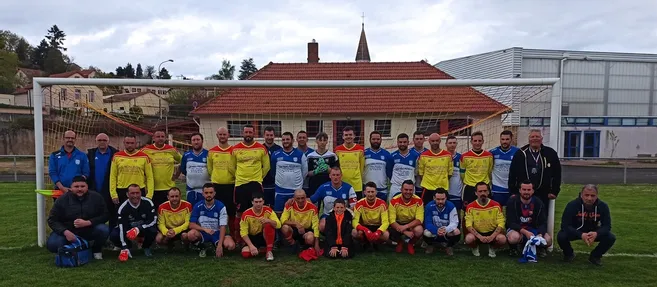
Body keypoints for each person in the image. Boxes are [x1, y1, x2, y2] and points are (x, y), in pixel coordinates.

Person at [46, 176, 109, 260]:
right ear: (71, 187)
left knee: (104, 229)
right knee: (53, 244)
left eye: (82, 186)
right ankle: (70, 249)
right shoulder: (62, 199)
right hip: (68, 231)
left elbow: (105, 215)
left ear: (87, 186)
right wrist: (65, 232)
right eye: (76, 186)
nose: (79, 189)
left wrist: (88, 222)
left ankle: (96, 250)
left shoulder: (96, 197)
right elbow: (52, 220)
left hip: (89, 229)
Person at [558, 184, 615, 266]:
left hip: (594, 231)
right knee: (561, 236)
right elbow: (565, 225)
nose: (589, 198)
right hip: (577, 230)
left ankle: (595, 256)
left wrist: (597, 233)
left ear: (597, 196)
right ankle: (569, 254)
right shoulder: (572, 205)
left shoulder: (603, 206)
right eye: (586, 195)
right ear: (581, 195)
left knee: (610, 237)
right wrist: (581, 235)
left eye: (592, 196)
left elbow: (607, 226)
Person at [508, 129, 561, 214]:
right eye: (532, 137)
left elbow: (557, 174)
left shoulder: (550, 153)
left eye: (537, 136)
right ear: (529, 139)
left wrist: (554, 191)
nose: (535, 139)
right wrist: (513, 191)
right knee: (523, 216)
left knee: (541, 216)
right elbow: (512, 173)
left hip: (543, 193)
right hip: (524, 193)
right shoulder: (520, 153)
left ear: (541, 138)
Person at [231, 124, 270, 231]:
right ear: (242, 133)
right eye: (246, 132)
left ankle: (257, 236)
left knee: (258, 210)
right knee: (239, 212)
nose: (248, 134)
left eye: (250, 132)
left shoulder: (261, 148)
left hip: (256, 184)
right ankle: (239, 238)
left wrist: (259, 177)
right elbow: (231, 167)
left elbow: (266, 166)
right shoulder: (235, 149)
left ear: (254, 133)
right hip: (240, 185)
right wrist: (240, 176)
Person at [110, 184, 158, 262]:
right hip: (128, 230)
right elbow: (122, 227)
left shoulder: (148, 203)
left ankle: (146, 247)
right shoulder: (122, 208)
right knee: (114, 235)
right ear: (127, 194)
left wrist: (138, 228)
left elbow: (153, 220)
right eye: (132, 193)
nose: (135, 196)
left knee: (153, 230)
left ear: (141, 193)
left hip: (143, 228)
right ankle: (127, 247)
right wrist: (124, 246)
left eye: (137, 193)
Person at [187, 184, 237, 258]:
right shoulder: (197, 206)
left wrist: (220, 245)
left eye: (211, 192)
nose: (209, 195)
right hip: (203, 233)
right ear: (203, 194)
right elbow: (191, 225)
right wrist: (204, 229)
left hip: (217, 233)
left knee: (231, 246)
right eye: (206, 193)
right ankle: (202, 247)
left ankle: (217, 246)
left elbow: (223, 226)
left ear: (214, 193)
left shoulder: (221, 206)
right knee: (190, 234)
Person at [207, 127, 237, 243]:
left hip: (231, 185)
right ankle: (217, 237)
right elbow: (210, 169)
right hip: (217, 186)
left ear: (228, 135)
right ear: (217, 135)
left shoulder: (234, 150)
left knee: (231, 212)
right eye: (220, 134)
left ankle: (234, 237)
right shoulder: (212, 151)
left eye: (224, 134)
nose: (222, 136)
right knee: (218, 212)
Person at [506, 180, 550, 257]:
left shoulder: (538, 203)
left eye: (529, 190)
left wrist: (540, 234)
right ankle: (514, 248)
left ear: (533, 191)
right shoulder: (512, 202)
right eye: (524, 189)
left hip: (533, 230)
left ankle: (539, 248)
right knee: (513, 238)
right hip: (518, 230)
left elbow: (543, 222)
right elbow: (511, 222)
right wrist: (525, 232)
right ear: (520, 190)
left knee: (548, 240)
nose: (526, 192)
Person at [141, 130, 183, 209]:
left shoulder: (171, 150)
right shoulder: (145, 150)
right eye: (158, 137)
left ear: (165, 138)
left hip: (169, 188)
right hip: (152, 189)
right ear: (153, 138)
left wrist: (177, 174)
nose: (160, 138)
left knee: (169, 211)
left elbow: (183, 161)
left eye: (162, 137)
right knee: (154, 212)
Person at [464, 182, 506, 258]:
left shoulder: (496, 205)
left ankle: (493, 248)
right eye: (480, 191)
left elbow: (501, 223)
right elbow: (468, 225)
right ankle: (475, 247)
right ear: (476, 193)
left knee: (502, 239)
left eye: (485, 191)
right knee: (469, 239)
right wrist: (479, 236)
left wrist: (492, 236)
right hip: (477, 232)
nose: (483, 193)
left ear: (488, 192)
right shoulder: (470, 206)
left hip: (492, 231)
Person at [309, 166, 357, 233]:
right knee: (322, 226)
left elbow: (353, 207)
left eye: (337, 175)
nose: (335, 177)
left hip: (343, 215)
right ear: (330, 176)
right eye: (333, 175)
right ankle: (327, 240)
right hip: (327, 215)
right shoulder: (323, 187)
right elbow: (311, 200)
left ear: (341, 176)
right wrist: (295, 200)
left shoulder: (349, 188)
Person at [109, 135, 154, 204]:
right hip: (122, 190)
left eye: (132, 143)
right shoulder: (117, 156)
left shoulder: (144, 157)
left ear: (136, 143)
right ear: (124, 143)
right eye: (127, 143)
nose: (130, 145)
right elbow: (113, 176)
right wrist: (113, 194)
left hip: (139, 190)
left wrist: (149, 195)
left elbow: (149, 177)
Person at [271, 132, 308, 215]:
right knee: (278, 214)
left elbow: (305, 172)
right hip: (280, 190)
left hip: (295, 191)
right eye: (283, 140)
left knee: (296, 214)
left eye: (287, 139)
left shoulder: (300, 154)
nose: (285, 141)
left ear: (293, 140)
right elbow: (273, 172)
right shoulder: (276, 154)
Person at [87, 133, 118, 227]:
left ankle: (112, 236)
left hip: (110, 191)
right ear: (96, 141)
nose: (102, 142)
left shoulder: (115, 154)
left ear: (108, 141)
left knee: (112, 214)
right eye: (99, 140)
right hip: (94, 190)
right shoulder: (90, 154)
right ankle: (97, 235)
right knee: (95, 214)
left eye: (104, 140)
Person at [239, 192, 281, 261]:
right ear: (252, 202)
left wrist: (269, 220)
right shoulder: (246, 214)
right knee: (245, 254)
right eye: (256, 202)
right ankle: (262, 249)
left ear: (263, 202)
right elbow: (243, 232)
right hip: (252, 237)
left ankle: (269, 251)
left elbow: (279, 225)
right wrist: (251, 246)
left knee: (268, 225)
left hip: (264, 235)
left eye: (260, 202)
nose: (258, 204)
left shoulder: (268, 210)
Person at [388, 180, 424, 255]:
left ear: (413, 190)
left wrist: (406, 227)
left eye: (410, 190)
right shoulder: (394, 201)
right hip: (398, 224)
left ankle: (410, 243)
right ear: (401, 190)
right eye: (406, 189)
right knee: (391, 229)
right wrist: (404, 231)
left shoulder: (418, 200)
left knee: (419, 230)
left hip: (411, 224)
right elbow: (391, 220)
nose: (408, 192)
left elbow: (419, 219)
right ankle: (400, 242)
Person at [460, 131, 493, 208]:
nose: (477, 143)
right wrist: (469, 182)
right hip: (470, 187)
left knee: (486, 209)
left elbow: (489, 171)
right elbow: (462, 173)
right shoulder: (464, 156)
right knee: (467, 211)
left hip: (484, 187)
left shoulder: (489, 156)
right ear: (471, 141)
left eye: (479, 141)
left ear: (483, 141)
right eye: (475, 141)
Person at [417, 133, 452, 205]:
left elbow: (449, 173)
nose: (435, 143)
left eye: (437, 140)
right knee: (426, 210)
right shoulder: (423, 156)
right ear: (429, 141)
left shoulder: (447, 155)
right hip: (428, 188)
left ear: (440, 141)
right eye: (433, 141)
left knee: (444, 210)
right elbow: (421, 174)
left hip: (442, 189)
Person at [352, 182, 390, 249]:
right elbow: (354, 221)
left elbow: (386, 222)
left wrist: (378, 232)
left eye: (372, 192)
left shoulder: (382, 203)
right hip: (364, 226)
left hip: (377, 226)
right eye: (368, 192)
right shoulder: (359, 203)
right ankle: (364, 242)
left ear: (376, 192)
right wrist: (365, 229)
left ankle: (375, 243)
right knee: (354, 232)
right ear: (364, 192)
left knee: (386, 235)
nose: (370, 194)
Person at [423, 189, 460, 256]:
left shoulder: (451, 206)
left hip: (446, 231)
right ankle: (430, 245)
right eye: (438, 199)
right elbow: (428, 223)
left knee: (456, 232)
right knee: (426, 233)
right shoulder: (429, 206)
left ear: (446, 198)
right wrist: (436, 230)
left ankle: (449, 246)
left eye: (443, 199)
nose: (440, 201)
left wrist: (446, 229)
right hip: (435, 231)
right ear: (434, 198)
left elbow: (454, 222)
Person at [490, 130, 520, 206]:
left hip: (511, 188)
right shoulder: (493, 152)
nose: (504, 141)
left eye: (507, 139)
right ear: (500, 140)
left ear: (511, 139)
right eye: (502, 139)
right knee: (497, 211)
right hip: (497, 188)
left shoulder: (517, 152)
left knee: (511, 211)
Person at [180, 133, 210, 206]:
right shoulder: (186, 155)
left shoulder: (208, 154)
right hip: (191, 191)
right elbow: (183, 169)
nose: (196, 142)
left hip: (206, 191)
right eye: (194, 140)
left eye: (198, 140)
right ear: (191, 142)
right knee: (192, 212)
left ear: (202, 141)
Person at [334, 126, 365, 199]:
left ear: (354, 136)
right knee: (342, 207)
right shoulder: (338, 150)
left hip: (357, 184)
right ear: (343, 137)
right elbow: (336, 167)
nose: (348, 137)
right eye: (346, 135)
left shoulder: (360, 149)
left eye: (350, 135)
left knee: (356, 207)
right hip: (342, 183)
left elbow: (362, 168)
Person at [306, 132, 339, 197]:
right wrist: (316, 171)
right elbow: (307, 173)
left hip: (329, 185)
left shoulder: (332, 155)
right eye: (320, 140)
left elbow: (337, 172)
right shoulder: (310, 156)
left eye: (324, 140)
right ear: (316, 141)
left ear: (327, 141)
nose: (322, 142)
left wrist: (328, 169)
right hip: (314, 185)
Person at [363, 131, 392, 201]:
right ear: (369, 140)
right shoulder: (364, 153)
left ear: (381, 140)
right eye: (373, 139)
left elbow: (389, 173)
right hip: (368, 190)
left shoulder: (387, 154)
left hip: (382, 190)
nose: (376, 141)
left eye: (378, 139)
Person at [389, 133, 419, 201]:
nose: (402, 144)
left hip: (410, 187)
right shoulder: (392, 156)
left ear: (408, 142)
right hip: (396, 187)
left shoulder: (415, 156)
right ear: (397, 143)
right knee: (393, 207)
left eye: (404, 142)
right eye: (400, 142)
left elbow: (416, 172)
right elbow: (389, 171)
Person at [262, 126, 282, 207]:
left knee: (275, 207)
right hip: (263, 183)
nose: (269, 137)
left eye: (271, 135)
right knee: (264, 207)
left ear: (274, 136)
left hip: (276, 184)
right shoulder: (260, 149)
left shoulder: (279, 149)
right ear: (264, 136)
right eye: (267, 135)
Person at [445, 135, 463, 210]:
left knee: (457, 211)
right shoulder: (442, 156)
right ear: (446, 144)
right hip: (445, 189)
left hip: (456, 190)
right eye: (450, 143)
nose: (452, 145)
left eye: (454, 143)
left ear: (456, 144)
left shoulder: (461, 157)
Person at [410, 131, 428, 196]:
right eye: (417, 139)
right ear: (413, 140)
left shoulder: (428, 153)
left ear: (424, 139)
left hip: (426, 184)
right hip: (413, 184)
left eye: (421, 139)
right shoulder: (409, 152)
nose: (419, 141)